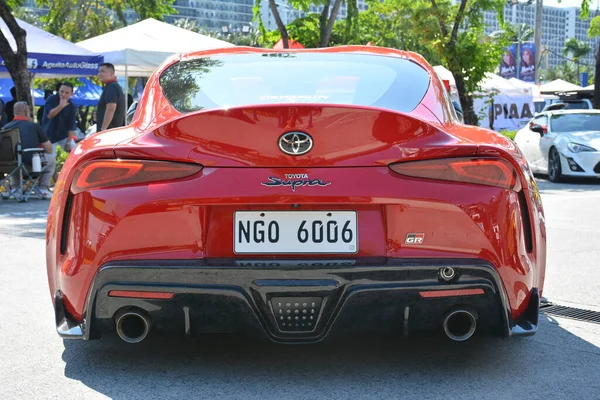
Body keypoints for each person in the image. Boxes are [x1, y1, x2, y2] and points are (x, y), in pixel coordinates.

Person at [3, 101, 55, 198]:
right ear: (27, 113)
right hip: (30, 165)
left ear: (14, 112)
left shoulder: (6, 128)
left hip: (9, 166)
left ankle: (15, 188)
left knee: (15, 157)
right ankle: (43, 188)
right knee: (51, 158)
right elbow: (49, 148)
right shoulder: (34, 127)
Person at [42, 82, 78, 152]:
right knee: (50, 159)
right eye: (62, 91)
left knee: (75, 152)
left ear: (71, 94)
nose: (63, 94)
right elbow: (50, 115)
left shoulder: (72, 106)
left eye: (67, 93)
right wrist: (60, 106)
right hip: (49, 134)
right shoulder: (51, 99)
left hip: (63, 135)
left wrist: (68, 143)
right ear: (59, 91)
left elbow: (71, 126)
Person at [97, 62, 125, 131]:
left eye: (102, 71)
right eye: (99, 72)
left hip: (109, 132)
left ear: (111, 73)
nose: (99, 74)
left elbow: (111, 109)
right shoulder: (113, 86)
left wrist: (103, 129)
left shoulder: (111, 87)